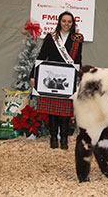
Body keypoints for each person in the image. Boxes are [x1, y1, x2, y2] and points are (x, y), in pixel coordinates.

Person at [30, 11, 83, 150]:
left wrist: (79, 77)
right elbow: (41, 57)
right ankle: (53, 138)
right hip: (51, 78)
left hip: (67, 79)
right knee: (52, 111)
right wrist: (33, 75)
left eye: (69, 21)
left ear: (73, 24)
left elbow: (78, 60)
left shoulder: (77, 39)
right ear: (59, 22)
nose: (66, 24)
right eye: (64, 21)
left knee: (65, 111)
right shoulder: (50, 37)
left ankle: (64, 139)